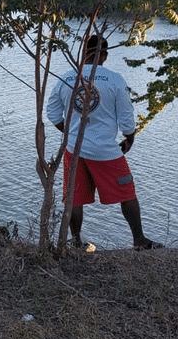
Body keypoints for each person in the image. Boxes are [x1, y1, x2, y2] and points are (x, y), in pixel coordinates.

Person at [48, 34, 162, 251]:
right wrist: (129, 137)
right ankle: (139, 240)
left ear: (83, 55)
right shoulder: (115, 80)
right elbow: (126, 115)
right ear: (104, 56)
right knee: (127, 192)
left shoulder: (67, 78)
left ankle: (76, 243)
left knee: (75, 197)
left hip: (75, 149)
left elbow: (52, 112)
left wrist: (70, 134)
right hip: (105, 151)